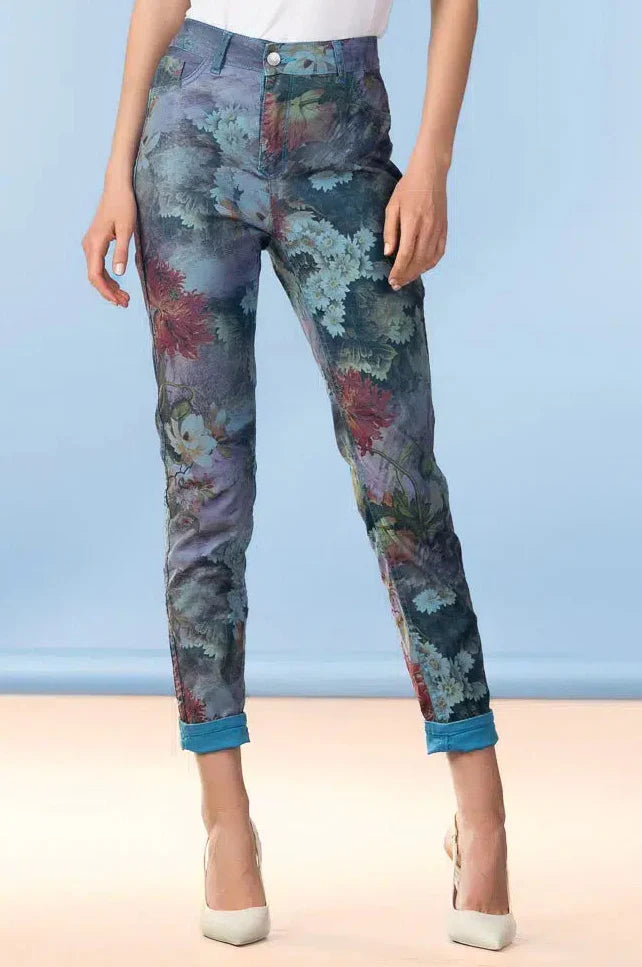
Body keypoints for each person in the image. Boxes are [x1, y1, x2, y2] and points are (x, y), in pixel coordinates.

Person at [82, 0, 516, 951]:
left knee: (402, 484)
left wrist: (433, 164)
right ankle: (225, 821)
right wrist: (116, 166)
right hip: (192, 127)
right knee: (205, 488)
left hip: (342, 128)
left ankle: (483, 819)